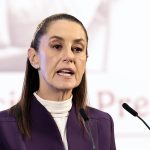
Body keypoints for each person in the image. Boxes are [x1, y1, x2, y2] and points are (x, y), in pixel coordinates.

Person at [0, 13, 116, 150]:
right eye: (57, 46)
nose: (69, 56)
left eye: (77, 49)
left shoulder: (102, 124)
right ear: (34, 58)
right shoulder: (4, 127)